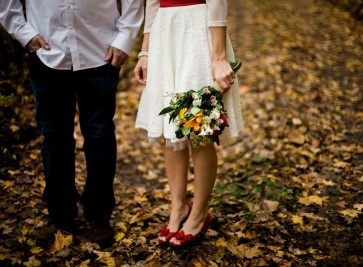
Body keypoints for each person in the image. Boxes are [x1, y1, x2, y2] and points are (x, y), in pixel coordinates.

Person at [0, 1, 144, 247]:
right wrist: (24, 33)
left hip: (101, 50)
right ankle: (61, 216)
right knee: (54, 136)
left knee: (99, 134)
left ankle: (99, 216)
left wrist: (124, 38)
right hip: (46, 52)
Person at [134, 0, 243, 246]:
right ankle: (178, 208)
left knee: (198, 127)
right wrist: (145, 52)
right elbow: (151, 3)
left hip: (197, 31)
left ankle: (199, 214)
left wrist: (218, 57)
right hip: (164, 33)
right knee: (171, 130)